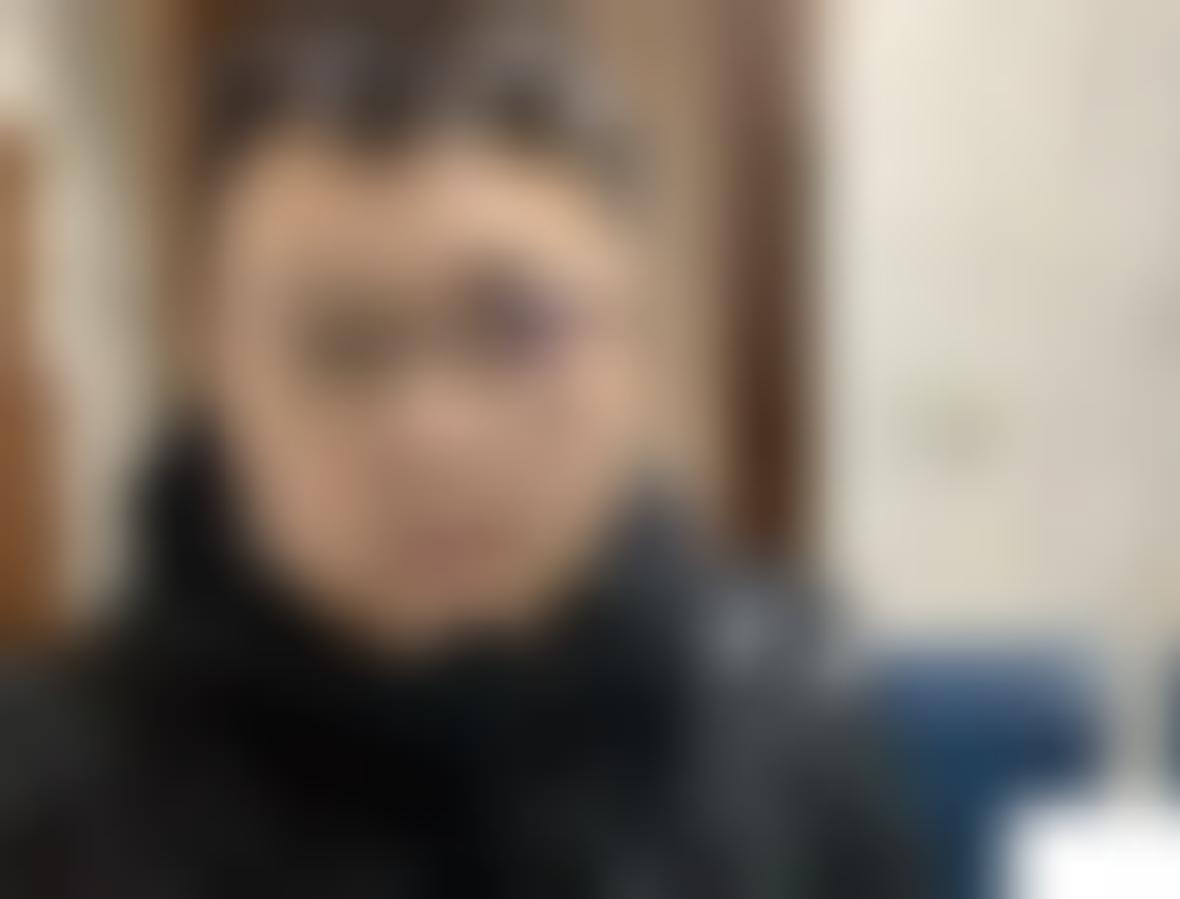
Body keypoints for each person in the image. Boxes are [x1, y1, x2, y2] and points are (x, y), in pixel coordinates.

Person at [0, 4, 925, 897]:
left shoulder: (790, 761)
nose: (429, 431)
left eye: (513, 329)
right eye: (340, 342)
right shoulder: (41, 806)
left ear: (636, 356)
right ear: (217, 378)